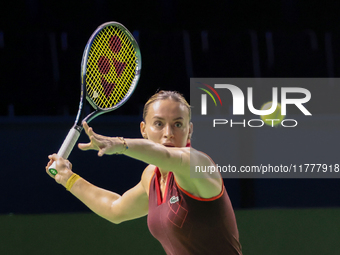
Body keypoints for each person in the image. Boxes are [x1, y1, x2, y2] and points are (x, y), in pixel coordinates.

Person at [46, 90, 242, 255]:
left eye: (178, 124)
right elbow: (115, 209)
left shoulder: (198, 164)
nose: (168, 133)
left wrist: (121, 144)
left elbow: (166, 155)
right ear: (143, 129)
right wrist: (68, 179)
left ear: (190, 131)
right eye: (158, 124)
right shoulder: (151, 177)